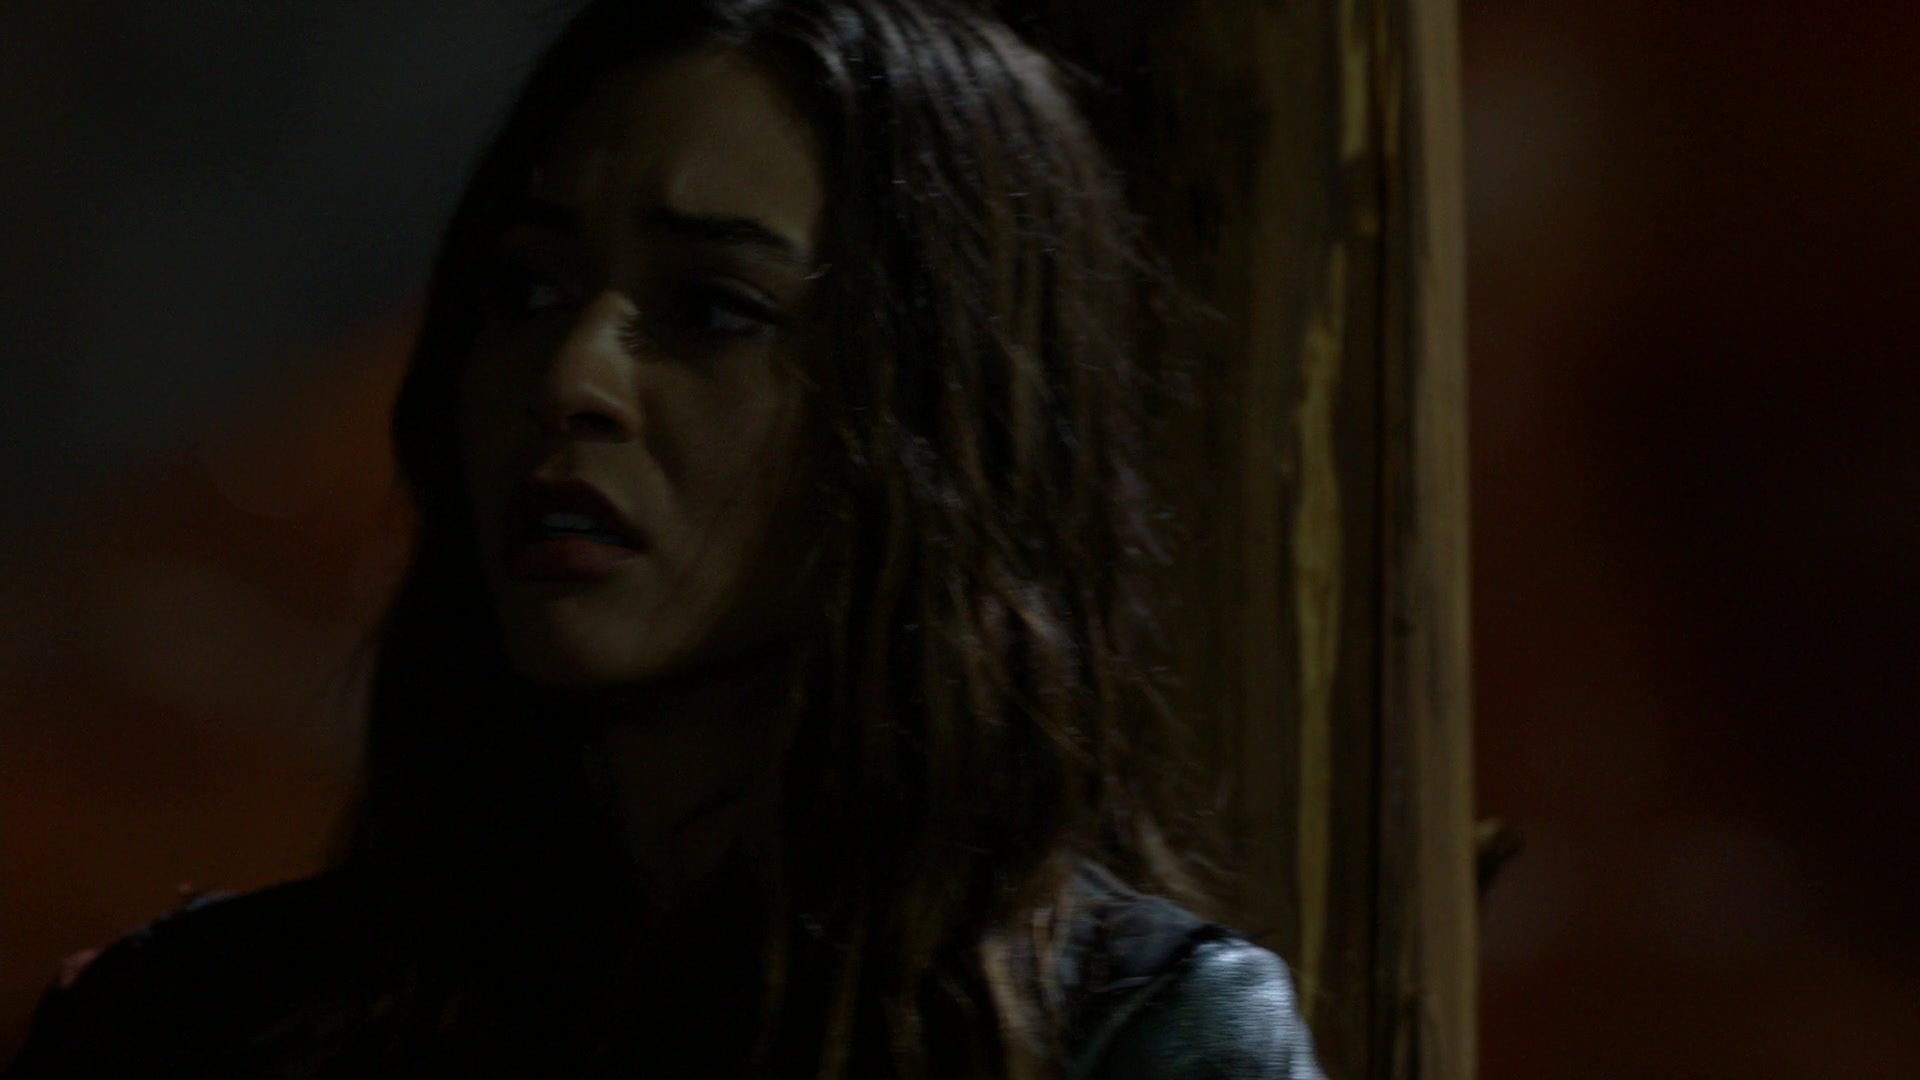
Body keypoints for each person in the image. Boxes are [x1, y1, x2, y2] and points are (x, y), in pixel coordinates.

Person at [6, 1, 1324, 1076]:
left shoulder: (1130, 1038)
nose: (570, 376)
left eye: (715, 309)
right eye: (527, 288)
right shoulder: (186, 1025)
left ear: (935, 409)